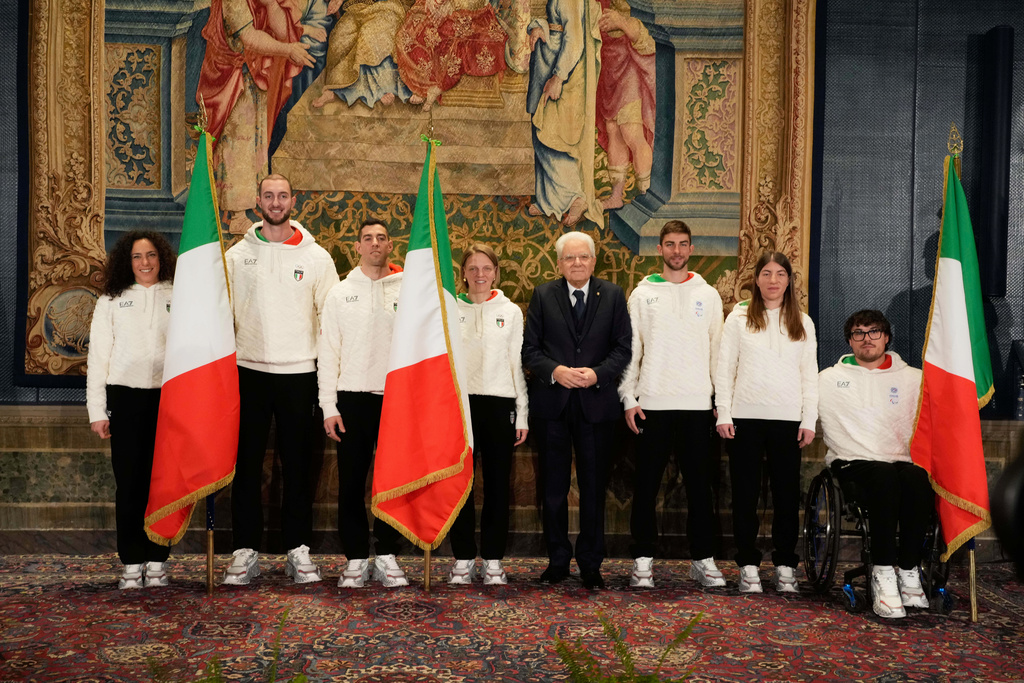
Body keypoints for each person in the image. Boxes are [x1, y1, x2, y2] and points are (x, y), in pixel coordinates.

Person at [222, 174, 339, 586]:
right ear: (258, 201)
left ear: (294, 200)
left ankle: (298, 549)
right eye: (268, 196)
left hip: (299, 374)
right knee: (246, 465)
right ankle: (244, 551)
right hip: (248, 373)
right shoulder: (236, 256)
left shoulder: (317, 258)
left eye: (282, 196)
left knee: (297, 466)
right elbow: (223, 319)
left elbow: (331, 321)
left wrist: (329, 387)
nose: (275, 202)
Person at [618, 221, 725, 589]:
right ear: (659, 249)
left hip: (698, 406)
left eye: (682, 244)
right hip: (652, 404)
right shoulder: (641, 295)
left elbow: (718, 355)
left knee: (700, 487)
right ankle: (643, 561)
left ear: (691, 248)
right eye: (669, 244)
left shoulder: (708, 295)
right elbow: (632, 351)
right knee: (646, 486)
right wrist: (628, 398)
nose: (676, 251)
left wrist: (720, 403)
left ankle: (703, 559)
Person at [522, 231, 632, 589]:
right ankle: (557, 561)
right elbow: (530, 351)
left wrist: (597, 374)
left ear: (594, 261)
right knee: (553, 489)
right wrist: (556, 371)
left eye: (583, 257)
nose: (577, 263)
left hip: (597, 406)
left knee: (593, 488)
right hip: (552, 406)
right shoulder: (542, 295)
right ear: (559, 263)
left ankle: (590, 563)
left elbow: (623, 348)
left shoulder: (613, 296)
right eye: (570, 258)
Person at [818, 310, 933, 619]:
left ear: (887, 337)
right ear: (849, 340)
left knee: (917, 479)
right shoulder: (829, 379)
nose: (866, 339)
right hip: (851, 460)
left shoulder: (914, 379)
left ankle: (909, 570)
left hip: (900, 460)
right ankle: (882, 572)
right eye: (858, 333)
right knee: (884, 477)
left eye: (874, 332)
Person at [715, 251, 817, 594]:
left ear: (789, 281)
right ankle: (747, 564)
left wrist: (809, 419)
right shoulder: (739, 318)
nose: (773, 281)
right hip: (745, 418)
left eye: (780, 274)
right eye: (767, 274)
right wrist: (724, 411)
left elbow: (810, 375)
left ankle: (786, 564)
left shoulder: (803, 321)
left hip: (788, 421)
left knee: (786, 496)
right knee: (745, 494)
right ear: (756, 279)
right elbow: (724, 368)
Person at [317, 218, 409, 588]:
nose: (374, 244)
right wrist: (329, 406)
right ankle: (356, 557)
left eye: (381, 238)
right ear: (357, 246)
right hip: (351, 401)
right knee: (352, 484)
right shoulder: (340, 293)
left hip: (396, 401)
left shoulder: (410, 290)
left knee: (392, 483)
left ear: (391, 246)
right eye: (367, 238)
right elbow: (328, 353)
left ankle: (387, 555)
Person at [87, 231, 177, 589]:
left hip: (168, 398)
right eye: (138, 257)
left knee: (163, 484)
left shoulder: (178, 295)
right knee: (129, 484)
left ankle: (157, 561)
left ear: (161, 258)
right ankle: (131, 561)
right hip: (124, 399)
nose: (145, 263)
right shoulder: (111, 300)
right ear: (128, 261)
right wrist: (98, 409)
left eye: (151, 255)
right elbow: (98, 358)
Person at [446, 244, 529, 586]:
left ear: (496, 272)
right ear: (463, 273)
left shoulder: (509, 312)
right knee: (460, 485)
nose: (479, 274)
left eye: (486, 268)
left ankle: (493, 559)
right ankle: (464, 558)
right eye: (472, 268)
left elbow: (516, 364)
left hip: (499, 404)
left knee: (497, 485)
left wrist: (521, 413)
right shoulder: (450, 309)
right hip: (459, 405)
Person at [196, 0, 315, 234]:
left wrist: (271, 4)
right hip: (229, 74)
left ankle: (254, 201)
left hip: (253, 72)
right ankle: (236, 213)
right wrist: (288, 50)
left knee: (256, 140)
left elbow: (281, 31)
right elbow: (249, 37)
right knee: (237, 143)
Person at [526, 0, 604, 227]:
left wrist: (559, 78)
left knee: (554, 136)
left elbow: (574, 39)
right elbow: (557, 25)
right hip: (552, 60)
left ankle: (575, 198)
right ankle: (550, 201)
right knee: (542, 134)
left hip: (566, 73)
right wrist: (539, 27)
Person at [394, 0, 509, 112]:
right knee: (411, 31)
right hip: (440, 6)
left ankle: (437, 86)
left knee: (451, 38)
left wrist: (452, 5)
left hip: (469, 11)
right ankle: (422, 86)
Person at [595, 0, 655, 210]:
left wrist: (622, 22)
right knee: (614, 132)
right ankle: (616, 195)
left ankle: (646, 193)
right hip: (609, 71)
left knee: (631, 133)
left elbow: (647, 39)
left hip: (630, 72)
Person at [311, 0, 414, 109]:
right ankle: (334, 88)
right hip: (358, 6)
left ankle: (382, 89)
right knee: (340, 36)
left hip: (389, 7)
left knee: (369, 34)